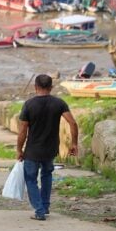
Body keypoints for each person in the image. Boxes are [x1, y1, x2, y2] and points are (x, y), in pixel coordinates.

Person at [16, 74, 78, 221]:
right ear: (51, 87)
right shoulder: (59, 103)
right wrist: (74, 143)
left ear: (35, 87)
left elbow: (23, 131)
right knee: (47, 175)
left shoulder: (29, 105)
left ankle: (39, 210)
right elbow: (73, 123)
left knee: (30, 179)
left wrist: (19, 149)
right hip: (50, 149)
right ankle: (45, 205)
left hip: (33, 150)